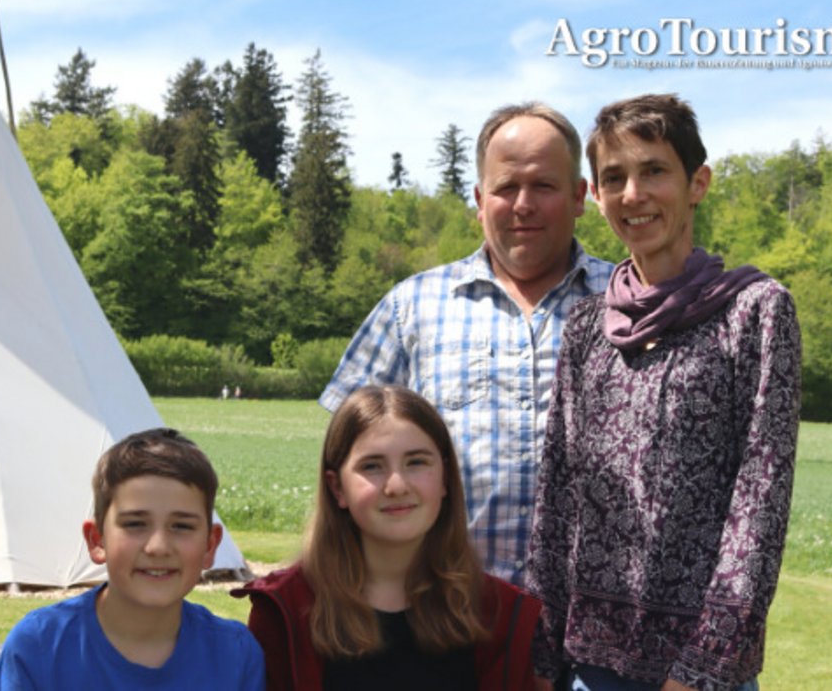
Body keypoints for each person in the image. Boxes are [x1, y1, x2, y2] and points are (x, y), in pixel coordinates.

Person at [524, 94, 801, 691]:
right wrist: (542, 657)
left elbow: (760, 501)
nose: (633, 194)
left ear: (696, 182)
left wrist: (702, 668)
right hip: (590, 667)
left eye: (654, 171)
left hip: (699, 671)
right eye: (614, 178)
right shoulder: (585, 329)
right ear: (594, 196)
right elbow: (558, 498)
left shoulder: (754, 312)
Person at [321, 103, 615, 587]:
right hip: (442, 614)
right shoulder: (411, 307)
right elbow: (346, 458)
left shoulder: (630, 303)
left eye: (544, 186)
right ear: (480, 200)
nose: (523, 204)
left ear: (580, 196)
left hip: (597, 623)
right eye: (506, 188)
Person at [233, 385, 541, 691]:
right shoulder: (285, 612)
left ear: (445, 477)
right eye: (372, 466)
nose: (397, 485)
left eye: (416, 462)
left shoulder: (503, 615)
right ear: (337, 487)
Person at [0, 428, 264, 690]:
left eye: (181, 526)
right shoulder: (40, 646)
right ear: (97, 540)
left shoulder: (234, 654)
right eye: (135, 524)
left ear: (210, 545)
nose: (158, 547)